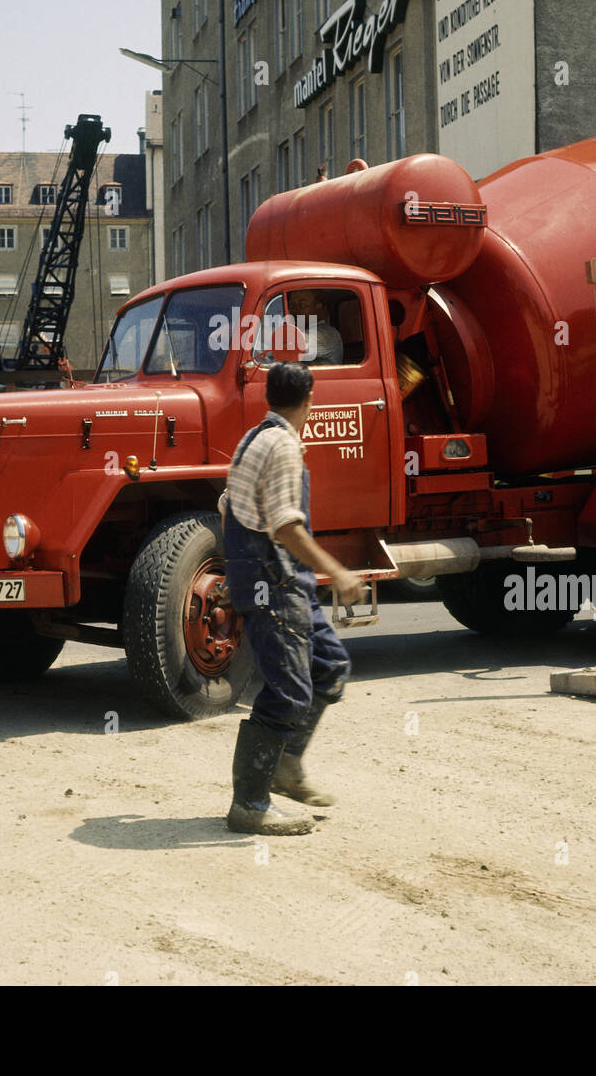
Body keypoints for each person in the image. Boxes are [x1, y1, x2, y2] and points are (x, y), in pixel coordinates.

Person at [220, 361, 365, 835]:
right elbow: (285, 527)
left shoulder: (252, 439)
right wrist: (339, 573)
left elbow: (227, 505)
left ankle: (285, 767)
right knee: (288, 693)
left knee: (328, 666)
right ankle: (250, 804)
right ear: (309, 399)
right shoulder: (282, 445)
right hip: (276, 582)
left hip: (279, 581)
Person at [289, 288, 344, 366]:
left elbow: (291, 345)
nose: (295, 310)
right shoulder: (301, 331)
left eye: (302, 305)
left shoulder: (328, 334)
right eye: (292, 305)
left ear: (318, 306)